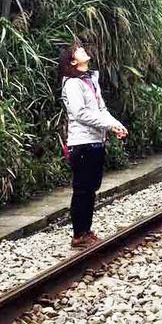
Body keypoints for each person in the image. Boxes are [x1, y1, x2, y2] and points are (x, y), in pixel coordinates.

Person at [59, 41, 128, 248]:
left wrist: (115, 124)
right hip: (82, 143)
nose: (83, 51)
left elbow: (101, 108)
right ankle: (79, 234)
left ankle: (86, 230)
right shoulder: (72, 84)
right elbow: (80, 113)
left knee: (91, 188)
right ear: (73, 61)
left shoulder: (90, 80)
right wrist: (107, 125)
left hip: (96, 140)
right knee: (82, 188)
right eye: (78, 51)